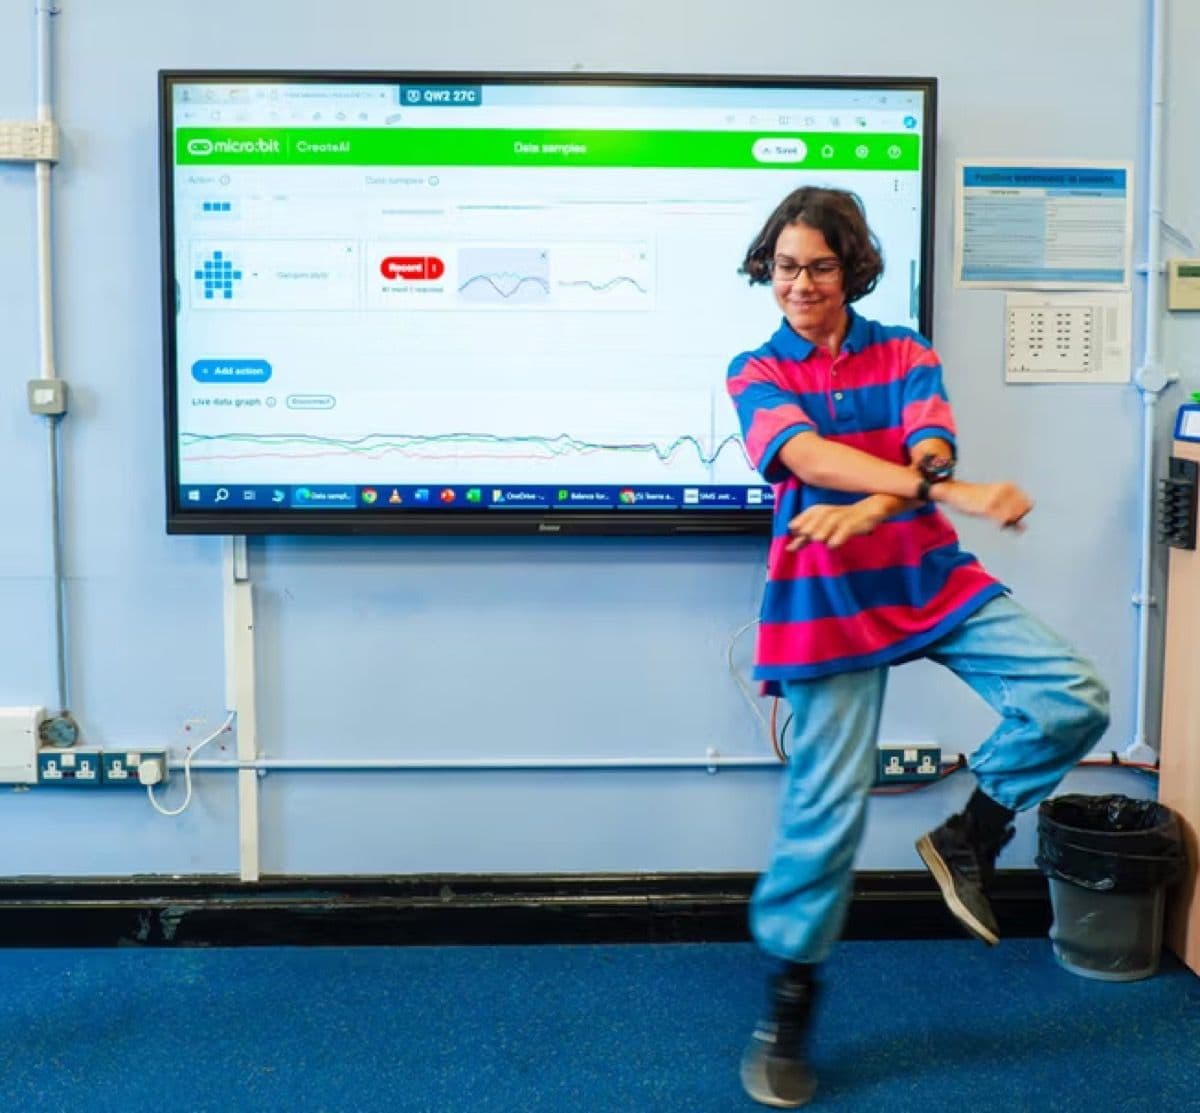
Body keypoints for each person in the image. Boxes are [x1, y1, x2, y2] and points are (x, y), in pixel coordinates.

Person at [726, 187, 1110, 1108]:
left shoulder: (903, 349)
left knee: (1073, 695)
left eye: (819, 265)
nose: (800, 283)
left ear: (852, 267)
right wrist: (958, 493)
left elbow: (930, 447)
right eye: (784, 266)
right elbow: (810, 458)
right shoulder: (753, 369)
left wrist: (894, 496)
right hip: (826, 597)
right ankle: (790, 1006)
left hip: (926, 574)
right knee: (825, 816)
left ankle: (971, 833)